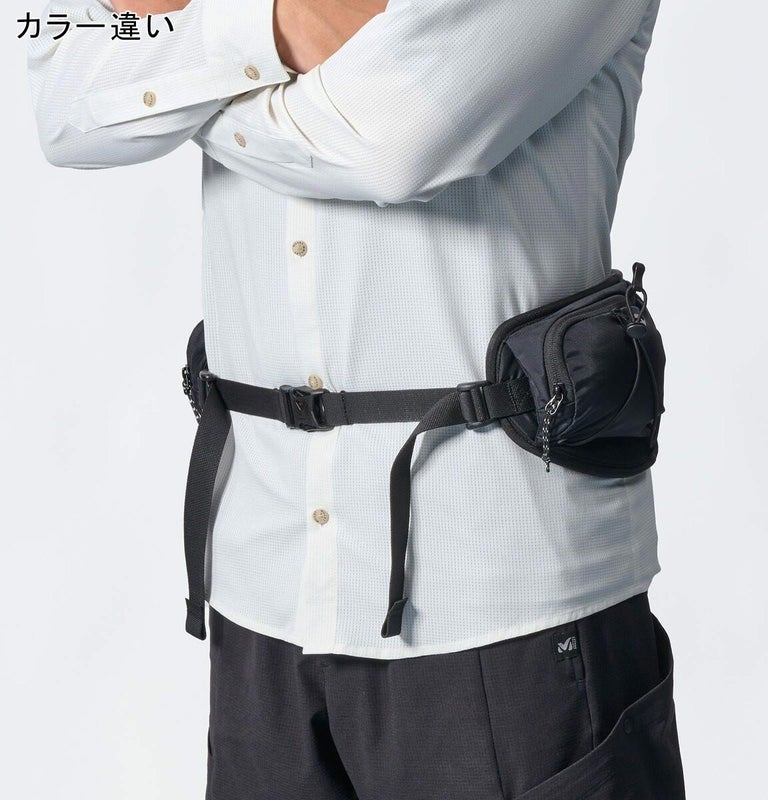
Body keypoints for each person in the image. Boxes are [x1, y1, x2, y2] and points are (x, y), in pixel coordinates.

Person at [27, 0, 686, 797]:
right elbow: (64, 102)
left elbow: (391, 142)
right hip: (261, 583)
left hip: (500, 590)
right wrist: (274, 31)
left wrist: (189, 87)